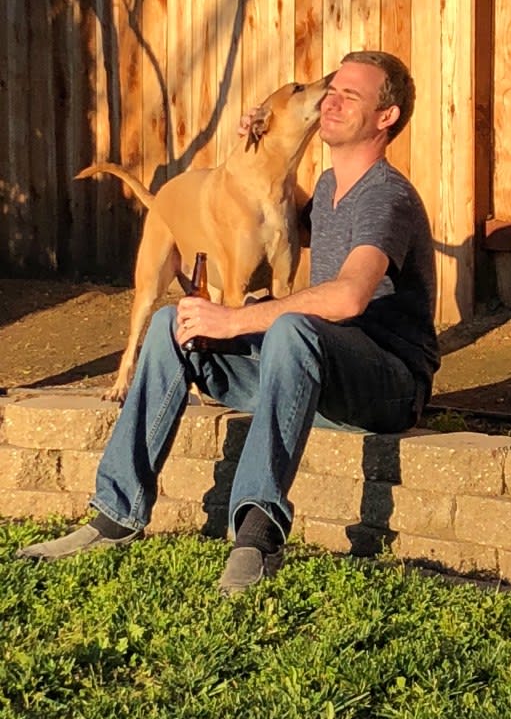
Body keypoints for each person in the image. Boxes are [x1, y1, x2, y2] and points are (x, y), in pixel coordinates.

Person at [18, 50, 440, 594]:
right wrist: (257, 142)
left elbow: (350, 297)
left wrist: (236, 317)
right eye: (331, 91)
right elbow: (263, 211)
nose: (331, 99)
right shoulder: (330, 190)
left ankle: (257, 537)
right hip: (314, 381)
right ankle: (115, 514)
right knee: (177, 321)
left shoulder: (386, 196)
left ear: (387, 118)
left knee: (291, 327)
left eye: (350, 96)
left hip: (386, 388)